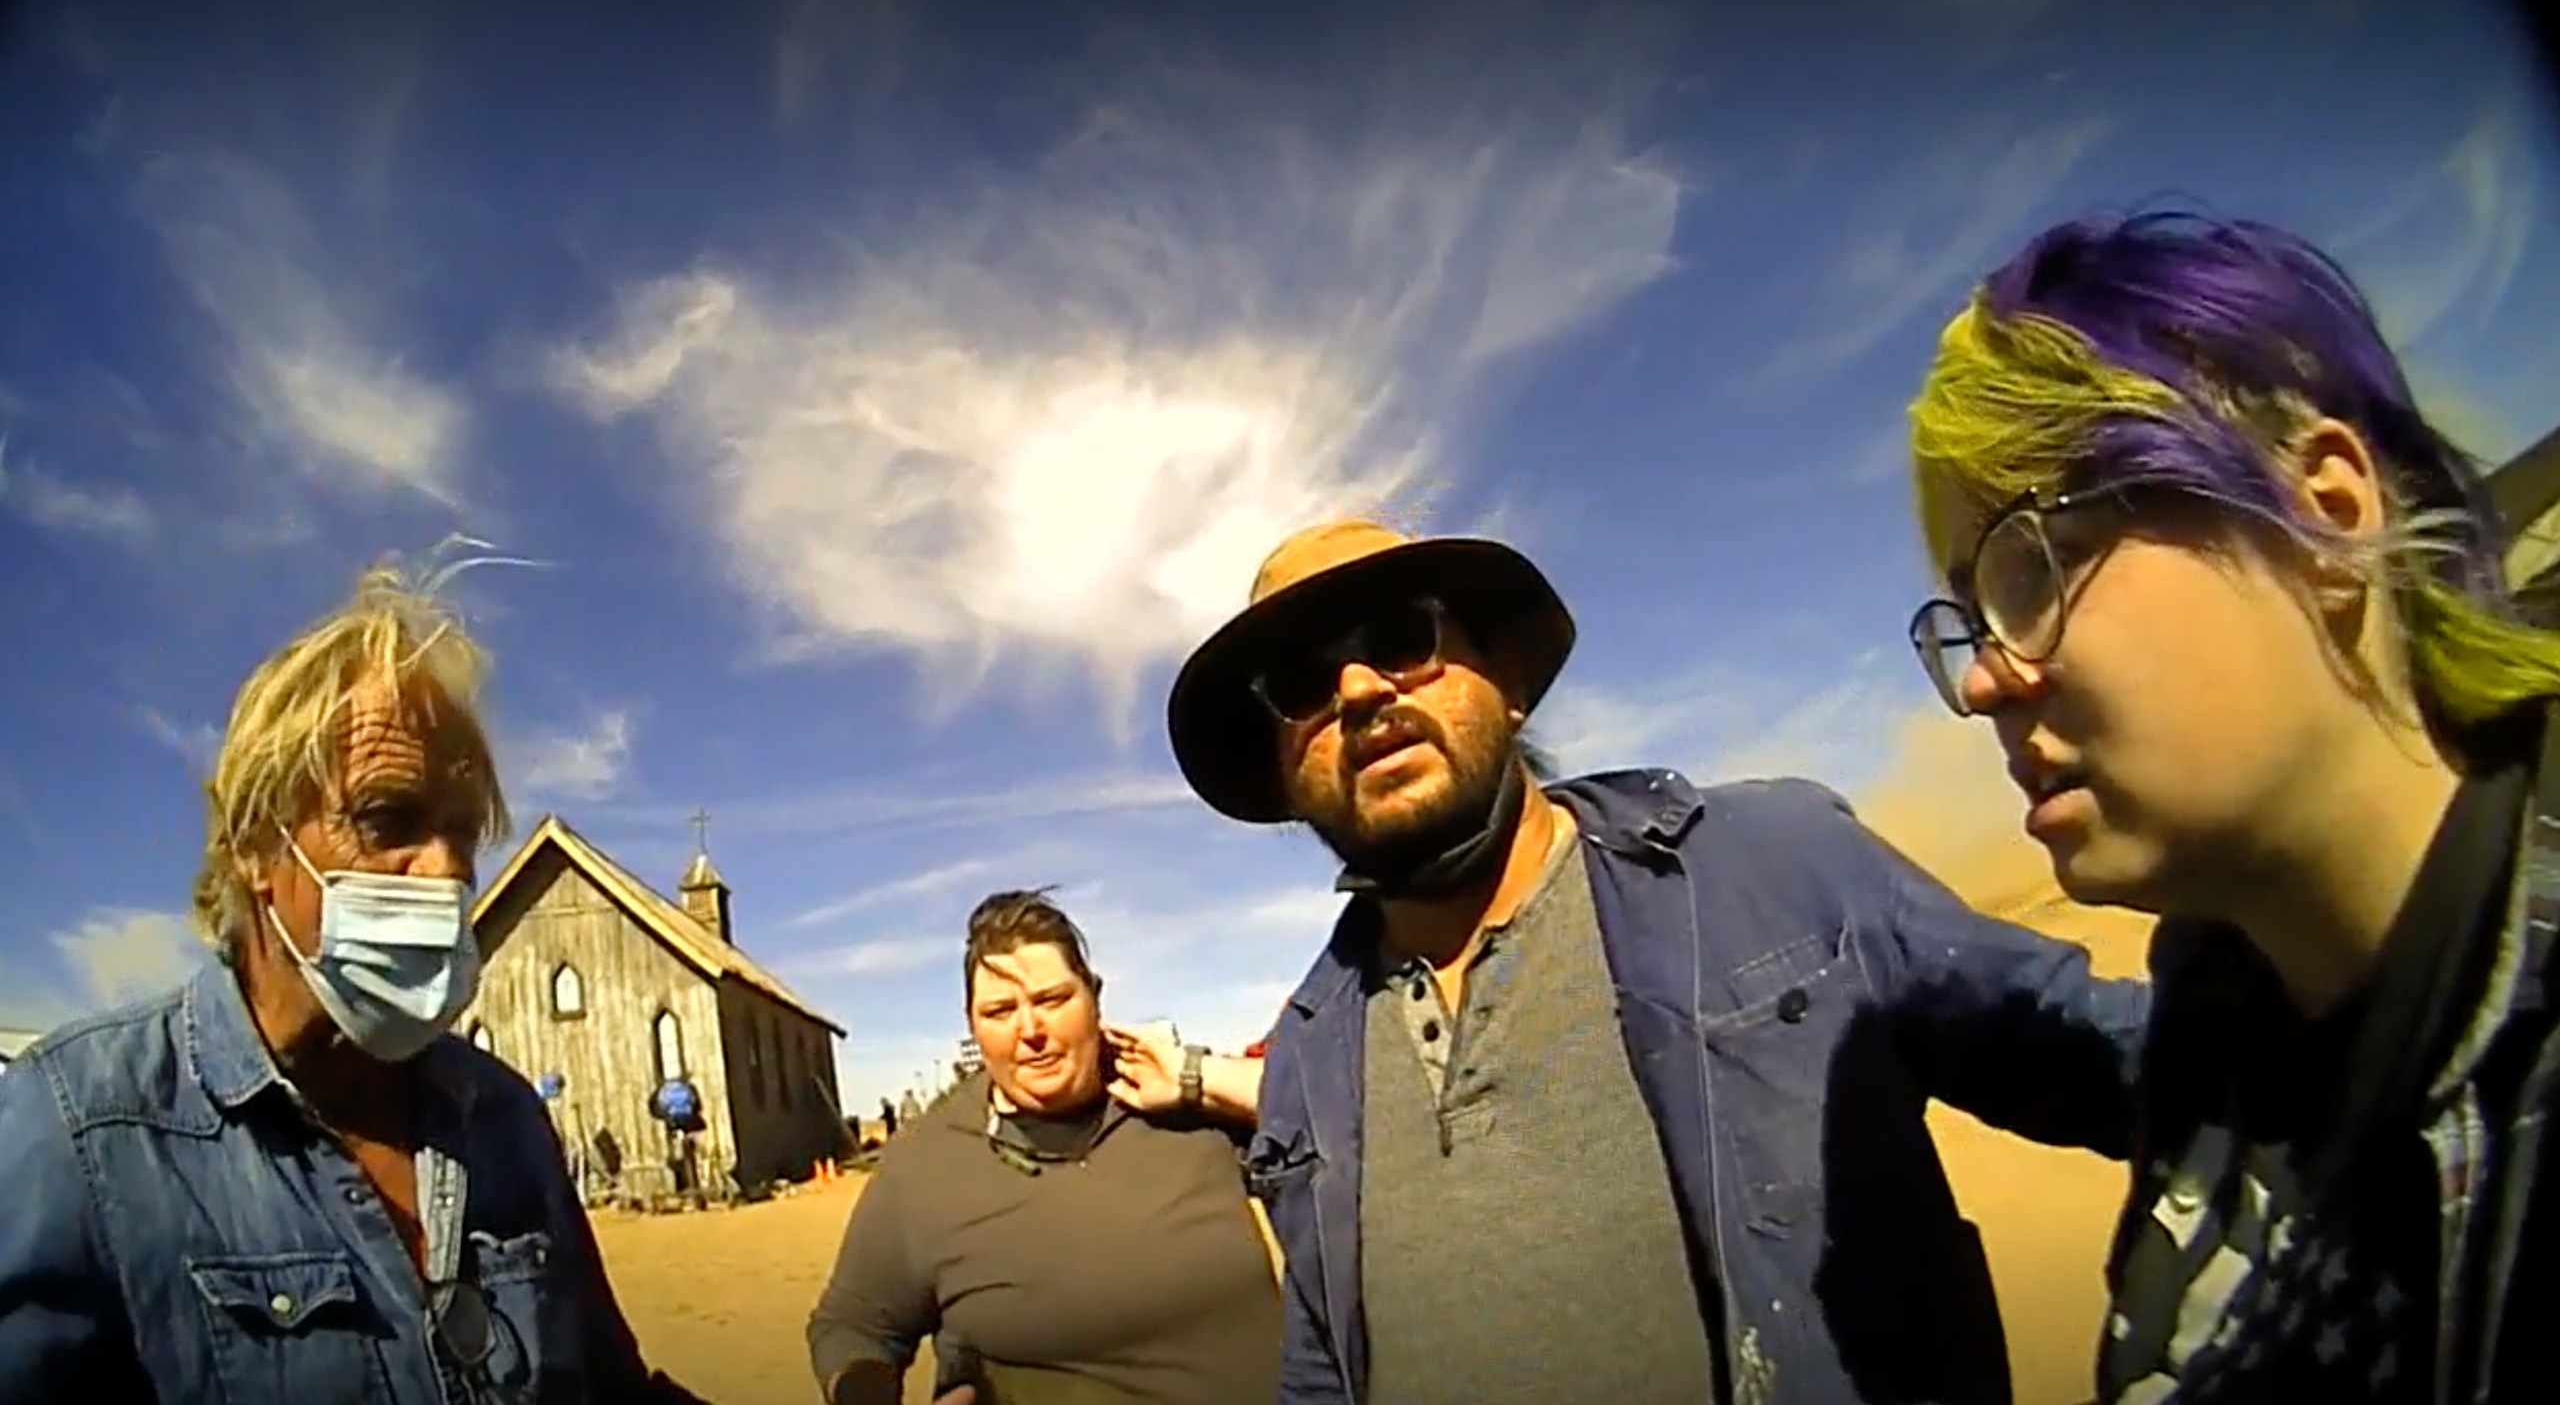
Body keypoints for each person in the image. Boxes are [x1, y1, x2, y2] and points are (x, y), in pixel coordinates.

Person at [1162, 518, 2156, 1405]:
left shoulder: (1773, 864)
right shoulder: (1304, 1053)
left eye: (1399, 642)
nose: (1358, 690)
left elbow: (2136, 1065)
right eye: (1301, 684)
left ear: (1505, 681)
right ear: (1285, 774)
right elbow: (1322, 1362)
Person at [1902, 210, 2560, 1403]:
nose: (1987, 675)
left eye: (2028, 564)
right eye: (1968, 613)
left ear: (2323, 516)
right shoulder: (2209, 1038)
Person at [0, 558, 704, 1403]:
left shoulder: (507, 1121)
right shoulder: (83, 1133)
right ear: (260, 848)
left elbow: (609, 1387)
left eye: (463, 834)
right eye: (387, 820)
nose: (446, 872)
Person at [807, 889, 1274, 1405]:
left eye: (1052, 1000)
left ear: (1094, 997)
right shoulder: (926, 1162)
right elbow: (853, 1324)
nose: (1030, 1030)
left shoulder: (1186, 1107)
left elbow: (1347, 1114)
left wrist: (1199, 1077)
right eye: (1000, 1011)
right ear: (972, 1026)